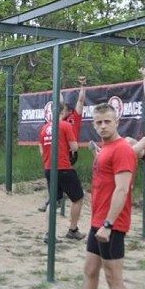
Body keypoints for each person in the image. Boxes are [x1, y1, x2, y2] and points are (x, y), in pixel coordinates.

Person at [50, 103, 137, 289]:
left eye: (107, 121)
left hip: (112, 225)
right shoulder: (107, 149)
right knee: (90, 271)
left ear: (117, 121)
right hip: (98, 223)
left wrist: (109, 224)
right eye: (98, 122)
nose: (103, 126)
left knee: (113, 278)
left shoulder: (122, 150)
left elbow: (122, 190)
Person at [38, 100, 84, 242]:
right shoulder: (65, 125)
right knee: (78, 198)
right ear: (63, 111)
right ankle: (73, 229)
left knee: (54, 200)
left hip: (49, 168)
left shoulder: (44, 128)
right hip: (64, 168)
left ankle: (49, 233)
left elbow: (41, 150)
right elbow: (74, 147)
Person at [38, 76, 87, 212]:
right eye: (62, 109)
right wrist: (56, 85)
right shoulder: (56, 124)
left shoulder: (74, 118)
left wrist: (83, 86)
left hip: (70, 153)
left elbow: (81, 100)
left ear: (69, 111)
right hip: (59, 152)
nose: (62, 110)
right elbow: (59, 102)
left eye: (65, 109)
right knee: (58, 177)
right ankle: (54, 200)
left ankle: (54, 200)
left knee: (62, 176)